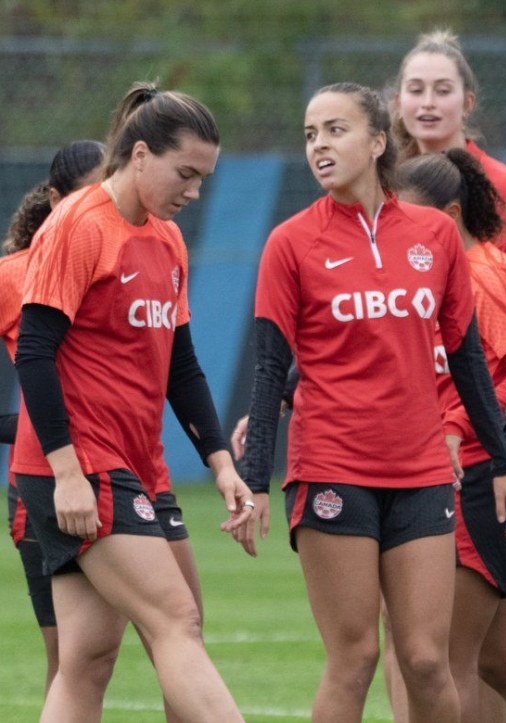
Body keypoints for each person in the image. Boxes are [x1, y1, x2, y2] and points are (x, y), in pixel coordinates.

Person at [238, 81, 506, 723]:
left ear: (376, 141)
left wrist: (504, 463)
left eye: (334, 130)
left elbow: (467, 360)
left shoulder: (434, 236)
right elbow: (268, 369)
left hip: (422, 471)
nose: (319, 145)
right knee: (357, 658)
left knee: (426, 659)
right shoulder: (290, 242)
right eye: (310, 134)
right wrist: (256, 480)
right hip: (332, 467)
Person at [11, 82, 253, 723]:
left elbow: (183, 366)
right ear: (140, 154)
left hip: (133, 466)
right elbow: (34, 353)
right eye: (187, 173)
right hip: (83, 466)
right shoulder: (81, 224)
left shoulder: (166, 239)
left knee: (86, 657)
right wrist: (67, 473)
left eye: (205, 177)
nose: (195, 191)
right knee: (176, 619)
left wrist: (221, 461)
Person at [379, 149, 506, 723]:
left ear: (450, 215)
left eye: (409, 216)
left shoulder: (485, 274)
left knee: (447, 661)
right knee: (500, 663)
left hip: (482, 480)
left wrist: (454, 428)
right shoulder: (444, 276)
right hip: (469, 478)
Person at [1, 139, 105, 695]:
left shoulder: (134, 258)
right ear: (57, 199)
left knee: (175, 624)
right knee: (71, 656)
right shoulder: (14, 276)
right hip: (44, 483)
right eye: (91, 193)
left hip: (121, 475)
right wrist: (27, 430)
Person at [391, 29, 506, 297]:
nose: (428, 103)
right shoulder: (385, 184)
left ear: (468, 103)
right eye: (416, 90)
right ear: (398, 102)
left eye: (443, 90)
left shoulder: (499, 185)